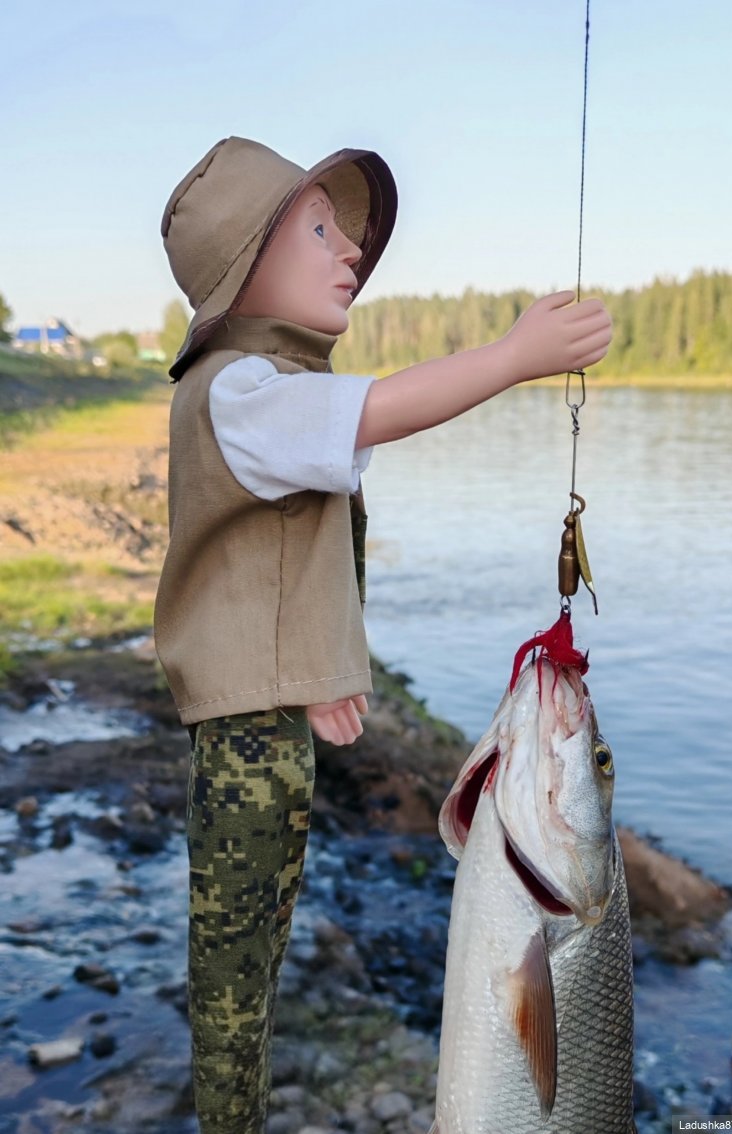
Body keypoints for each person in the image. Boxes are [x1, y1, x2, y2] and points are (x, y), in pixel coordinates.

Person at [155, 135, 612, 1134]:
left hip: (264, 720)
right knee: (236, 967)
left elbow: (290, 558)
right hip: (243, 737)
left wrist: (322, 675)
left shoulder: (267, 391)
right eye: (317, 229)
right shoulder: (242, 391)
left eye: (340, 231)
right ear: (240, 270)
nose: (348, 250)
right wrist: (510, 359)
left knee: (257, 936)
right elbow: (385, 408)